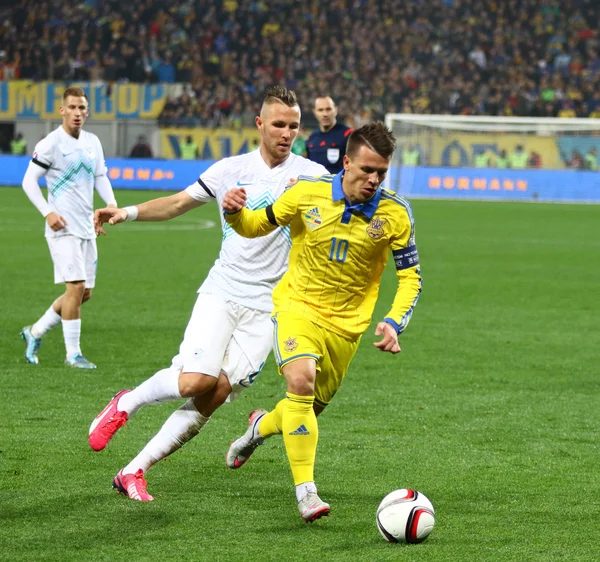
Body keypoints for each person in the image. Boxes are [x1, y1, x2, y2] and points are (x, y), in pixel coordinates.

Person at [87, 86, 328, 501]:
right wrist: (125, 212)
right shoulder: (230, 170)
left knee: (215, 392)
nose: (286, 133)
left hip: (271, 309)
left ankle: (133, 470)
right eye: (278, 124)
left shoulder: (314, 176)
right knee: (195, 380)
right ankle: (127, 402)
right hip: (224, 290)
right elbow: (179, 203)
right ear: (259, 124)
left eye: (293, 126)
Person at [222, 122, 422, 522]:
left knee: (305, 410)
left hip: (347, 329)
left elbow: (410, 277)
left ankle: (261, 426)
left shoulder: (395, 213)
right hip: (298, 308)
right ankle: (307, 494)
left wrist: (394, 322)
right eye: (366, 169)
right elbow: (256, 225)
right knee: (300, 382)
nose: (373, 179)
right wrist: (234, 213)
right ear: (346, 162)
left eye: (381, 172)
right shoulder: (305, 192)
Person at [20, 87, 117, 368]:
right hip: (63, 228)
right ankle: (73, 355)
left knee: (83, 293)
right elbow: (28, 181)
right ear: (62, 110)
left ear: (87, 111)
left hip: (87, 226)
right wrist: (48, 212)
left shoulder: (92, 142)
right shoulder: (51, 143)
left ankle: (34, 331)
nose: (77, 113)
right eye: (72, 107)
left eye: (82, 108)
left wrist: (111, 203)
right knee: (74, 287)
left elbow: (100, 175)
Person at [306, 95, 352, 173]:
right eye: (320, 110)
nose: (325, 114)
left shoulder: (348, 135)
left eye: (328, 109)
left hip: (338, 184)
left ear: (336, 110)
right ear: (315, 112)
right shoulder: (311, 138)